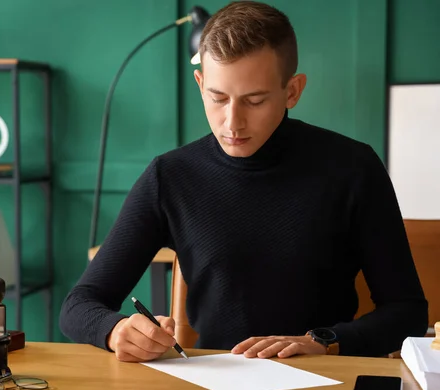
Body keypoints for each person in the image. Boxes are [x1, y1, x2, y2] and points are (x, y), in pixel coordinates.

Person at [59, 0, 428, 362]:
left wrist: (322, 341)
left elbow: (407, 311)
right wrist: (114, 330)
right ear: (200, 82)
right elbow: (79, 305)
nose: (232, 124)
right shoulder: (170, 176)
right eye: (217, 98)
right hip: (211, 383)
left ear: (292, 91)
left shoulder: (353, 168)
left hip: (324, 377)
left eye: (254, 101)